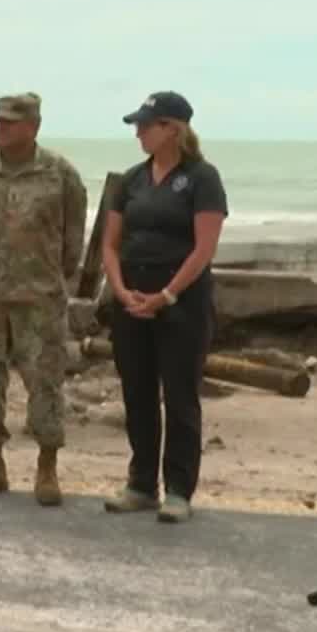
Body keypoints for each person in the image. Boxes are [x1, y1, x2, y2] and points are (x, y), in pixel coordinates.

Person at [0, 93, 88, 506]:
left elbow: (73, 239)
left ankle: (46, 468)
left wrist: (48, 275)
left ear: (33, 127)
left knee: (45, 385)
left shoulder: (60, 174)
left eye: (10, 122)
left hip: (41, 300)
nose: (1, 127)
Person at [101, 91, 227, 523]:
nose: (138, 132)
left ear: (172, 129)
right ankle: (140, 484)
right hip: (132, 301)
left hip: (181, 304)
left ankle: (178, 489)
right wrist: (120, 290)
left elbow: (204, 247)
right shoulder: (131, 179)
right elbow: (110, 244)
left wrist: (167, 294)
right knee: (137, 394)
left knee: (179, 396)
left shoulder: (201, 177)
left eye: (146, 125)